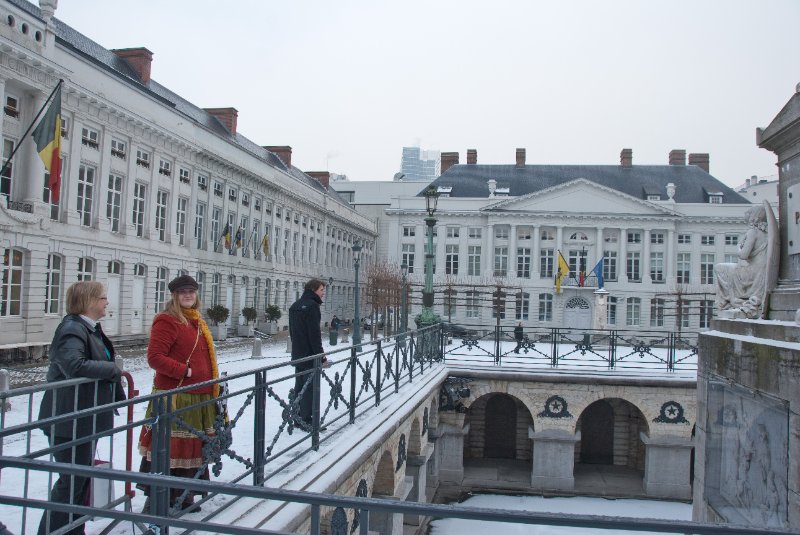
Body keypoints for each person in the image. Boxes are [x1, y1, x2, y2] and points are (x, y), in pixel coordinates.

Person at [37, 281, 125, 535]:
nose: (106, 302)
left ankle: (74, 530)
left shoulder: (88, 328)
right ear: (88, 301)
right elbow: (74, 365)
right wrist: (112, 371)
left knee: (79, 480)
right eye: (102, 298)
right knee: (70, 481)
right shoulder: (72, 329)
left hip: (82, 417)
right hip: (68, 419)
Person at [137, 275, 223, 512]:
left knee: (193, 449)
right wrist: (185, 371)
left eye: (192, 292)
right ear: (174, 296)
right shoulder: (167, 321)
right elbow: (155, 358)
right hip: (176, 396)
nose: (188, 295)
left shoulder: (197, 321)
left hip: (200, 395)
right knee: (171, 449)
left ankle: (185, 497)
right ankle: (158, 500)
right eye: (183, 292)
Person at [715, 204, 770, 318]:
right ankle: (731, 301)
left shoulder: (753, 232)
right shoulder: (767, 233)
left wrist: (738, 246)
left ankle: (730, 302)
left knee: (719, 268)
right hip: (761, 271)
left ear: (753, 216)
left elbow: (743, 255)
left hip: (752, 273)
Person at [289, 279, 328, 428]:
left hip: (298, 353)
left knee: (299, 386)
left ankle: (297, 417)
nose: (323, 293)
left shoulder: (295, 306)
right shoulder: (312, 307)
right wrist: (321, 357)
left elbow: (293, 333)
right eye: (321, 290)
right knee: (310, 388)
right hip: (310, 355)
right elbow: (314, 335)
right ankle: (307, 420)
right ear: (313, 290)